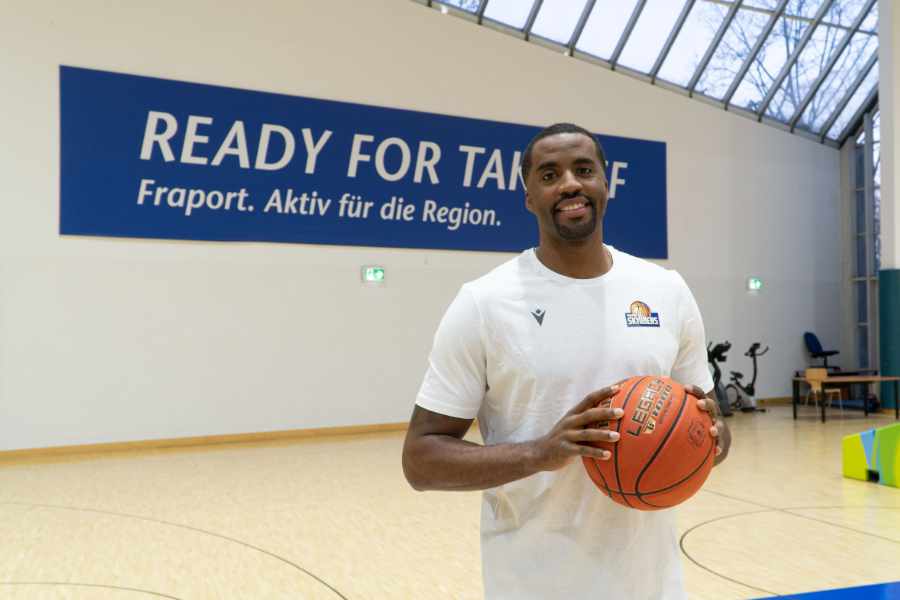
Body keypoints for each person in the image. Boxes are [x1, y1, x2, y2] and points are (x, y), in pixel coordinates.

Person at [401, 122, 731, 599]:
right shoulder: (484, 303)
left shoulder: (667, 291)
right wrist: (540, 452)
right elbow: (421, 460)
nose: (570, 183)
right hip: (534, 581)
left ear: (605, 185)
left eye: (583, 169)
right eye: (549, 174)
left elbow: (712, 430)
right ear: (529, 196)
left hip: (651, 584)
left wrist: (712, 441)